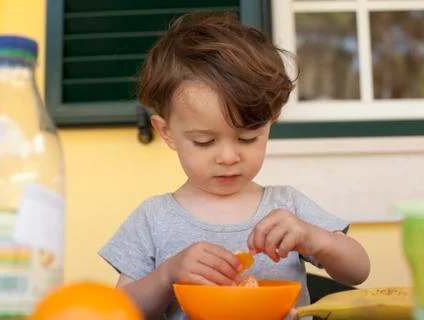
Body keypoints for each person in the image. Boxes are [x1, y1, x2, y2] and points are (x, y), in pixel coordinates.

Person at [99, 12, 370, 320]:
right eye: (204, 141)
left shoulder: (286, 206)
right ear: (167, 133)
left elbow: (358, 271)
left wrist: (315, 238)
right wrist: (167, 275)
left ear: (270, 124)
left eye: (247, 138)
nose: (228, 157)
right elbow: (119, 311)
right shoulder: (153, 219)